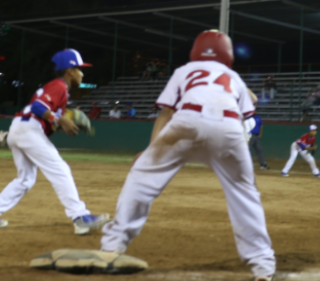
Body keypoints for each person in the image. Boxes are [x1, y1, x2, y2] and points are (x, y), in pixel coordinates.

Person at [96, 31, 274, 280]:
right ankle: (263, 267)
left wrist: (151, 151)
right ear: (228, 54)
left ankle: (112, 246)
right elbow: (249, 110)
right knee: (245, 193)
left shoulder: (184, 71)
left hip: (186, 122)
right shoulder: (233, 76)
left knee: (142, 177)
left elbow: (166, 113)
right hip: (229, 126)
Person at [0, 49, 109, 233]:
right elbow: (38, 107)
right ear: (70, 71)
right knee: (60, 170)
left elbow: (45, 116)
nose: (82, 73)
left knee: (25, 180)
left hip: (22, 128)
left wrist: (63, 124)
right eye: (79, 68)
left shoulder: (59, 89)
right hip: (28, 129)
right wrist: (60, 119)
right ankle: (80, 217)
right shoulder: (59, 85)